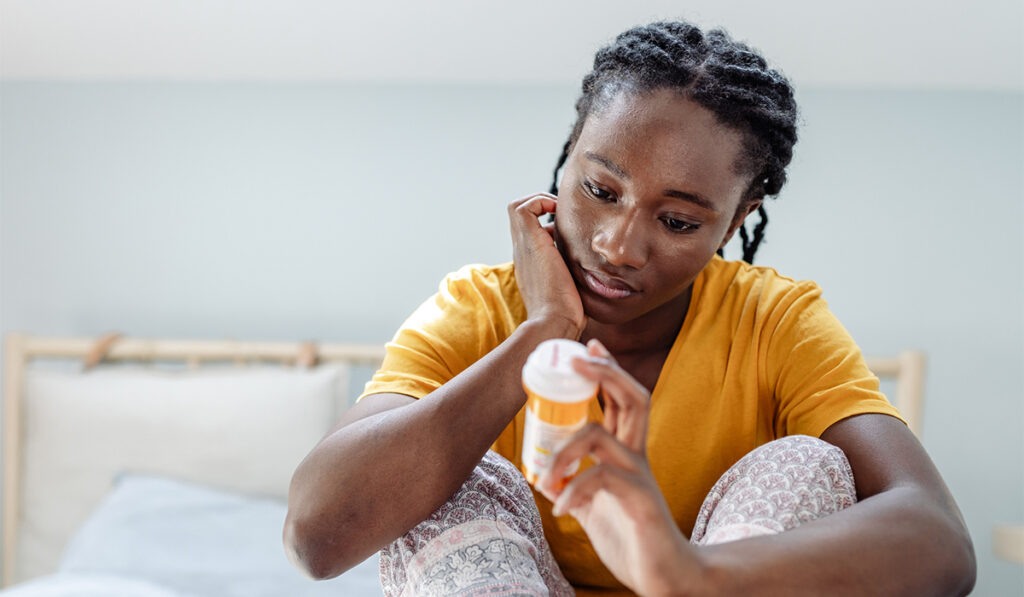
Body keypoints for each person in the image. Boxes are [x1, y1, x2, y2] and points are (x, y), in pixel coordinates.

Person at [284, 20, 976, 596]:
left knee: (804, 462)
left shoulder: (773, 321)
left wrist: (689, 572)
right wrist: (544, 331)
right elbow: (317, 535)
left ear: (735, 223)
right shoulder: (479, 307)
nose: (618, 245)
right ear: (567, 159)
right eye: (600, 189)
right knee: (441, 474)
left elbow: (940, 540)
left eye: (676, 222)